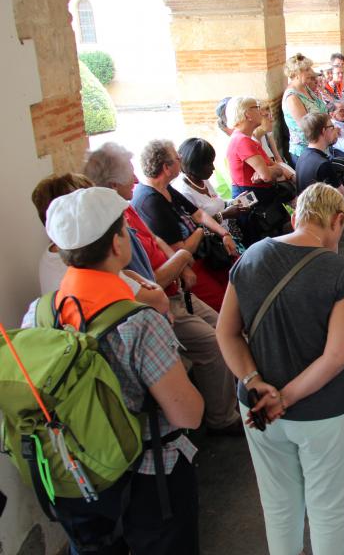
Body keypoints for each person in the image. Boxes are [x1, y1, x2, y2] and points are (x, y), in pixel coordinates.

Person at [22, 187, 204, 554]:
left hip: (78, 474)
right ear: (117, 244)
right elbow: (188, 413)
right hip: (148, 478)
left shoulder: (39, 313)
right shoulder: (139, 322)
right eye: (125, 230)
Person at [217, 183, 344, 555]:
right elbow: (335, 358)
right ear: (338, 220)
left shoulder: (251, 257)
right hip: (324, 413)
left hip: (258, 411)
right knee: (327, 510)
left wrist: (255, 384)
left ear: (296, 216)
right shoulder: (340, 273)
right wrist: (286, 397)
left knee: (279, 508)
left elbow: (227, 333)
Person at [83, 143, 243, 437]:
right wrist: (183, 257)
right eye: (129, 175)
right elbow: (149, 281)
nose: (135, 179)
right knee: (211, 342)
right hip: (163, 302)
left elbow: (155, 239)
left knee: (226, 324)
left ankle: (238, 388)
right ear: (112, 185)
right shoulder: (115, 224)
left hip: (175, 289)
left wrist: (183, 259)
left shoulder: (127, 208)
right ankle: (222, 417)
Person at [31, 172, 168, 314]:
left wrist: (129, 274)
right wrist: (135, 277)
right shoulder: (95, 263)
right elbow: (159, 302)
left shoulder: (49, 256)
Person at [133, 139, 239, 312]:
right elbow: (181, 250)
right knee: (223, 301)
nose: (181, 158)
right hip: (190, 265)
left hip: (204, 254)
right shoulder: (151, 202)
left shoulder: (165, 188)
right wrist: (202, 231)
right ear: (166, 168)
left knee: (235, 282)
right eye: (177, 158)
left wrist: (224, 234)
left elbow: (198, 213)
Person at [228, 96, 289, 245]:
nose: (261, 112)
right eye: (256, 108)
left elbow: (275, 170)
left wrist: (273, 169)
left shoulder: (246, 139)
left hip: (261, 200)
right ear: (247, 114)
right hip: (253, 205)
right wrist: (273, 170)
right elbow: (268, 175)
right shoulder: (242, 141)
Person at [171, 137, 250, 245]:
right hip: (215, 244)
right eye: (208, 164)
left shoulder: (202, 179)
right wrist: (224, 215)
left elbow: (215, 202)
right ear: (195, 165)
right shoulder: (183, 192)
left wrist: (233, 202)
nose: (213, 168)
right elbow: (197, 229)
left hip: (229, 234)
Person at [294, 113, 344, 221]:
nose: (337, 129)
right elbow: (341, 194)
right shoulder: (323, 164)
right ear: (323, 131)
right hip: (321, 218)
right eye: (332, 127)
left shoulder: (303, 156)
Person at [283, 53, 328, 165]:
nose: (311, 72)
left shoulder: (305, 87)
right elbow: (306, 126)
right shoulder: (292, 97)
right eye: (307, 69)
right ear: (296, 73)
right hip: (305, 152)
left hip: (319, 146)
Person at [253, 102, 296, 183]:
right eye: (266, 116)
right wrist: (289, 175)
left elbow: (277, 159)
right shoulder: (252, 142)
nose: (272, 119)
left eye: (270, 115)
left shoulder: (265, 133)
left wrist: (289, 173)